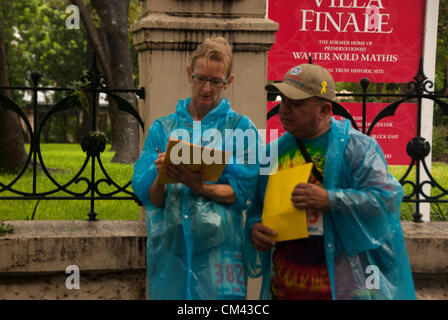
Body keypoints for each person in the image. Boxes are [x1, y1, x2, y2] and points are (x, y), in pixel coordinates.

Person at [245, 63, 416, 300]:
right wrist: (255, 230)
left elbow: (386, 199)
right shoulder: (273, 153)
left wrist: (332, 200)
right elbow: (257, 209)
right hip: (287, 289)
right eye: (283, 100)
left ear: (324, 110)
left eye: (296, 103)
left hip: (345, 290)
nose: (284, 109)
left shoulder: (357, 149)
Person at [131, 37, 262, 299]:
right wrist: (161, 175)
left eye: (216, 81)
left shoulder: (240, 129)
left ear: (229, 81)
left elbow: (243, 194)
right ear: (189, 74)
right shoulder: (162, 128)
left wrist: (199, 187)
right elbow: (153, 200)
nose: (206, 88)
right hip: (172, 253)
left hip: (220, 255)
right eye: (200, 78)